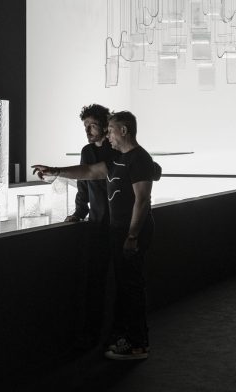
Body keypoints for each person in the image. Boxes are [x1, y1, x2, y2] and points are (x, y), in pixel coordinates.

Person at [32, 111, 155, 360]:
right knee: (125, 286)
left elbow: (142, 200)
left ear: (124, 130)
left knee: (131, 287)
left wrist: (132, 236)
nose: (108, 135)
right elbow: (88, 172)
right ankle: (128, 339)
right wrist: (55, 171)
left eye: (110, 130)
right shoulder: (117, 160)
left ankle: (138, 344)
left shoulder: (139, 158)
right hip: (117, 232)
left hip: (130, 234)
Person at [65, 104, 115, 350]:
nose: (87, 130)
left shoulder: (116, 150)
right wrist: (78, 212)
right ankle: (92, 335)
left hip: (117, 224)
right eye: (85, 126)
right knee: (95, 280)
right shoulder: (87, 151)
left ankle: (111, 334)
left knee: (115, 281)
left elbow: (92, 174)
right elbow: (83, 184)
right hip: (97, 224)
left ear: (105, 126)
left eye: (92, 125)